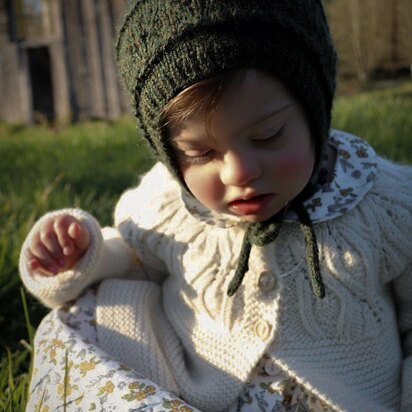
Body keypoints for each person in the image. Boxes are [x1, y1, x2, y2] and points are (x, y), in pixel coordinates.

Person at [19, 1, 412, 411]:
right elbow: (138, 258)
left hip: (343, 398)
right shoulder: (168, 202)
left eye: (268, 136)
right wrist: (85, 256)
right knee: (75, 321)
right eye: (200, 152)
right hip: (192, 390)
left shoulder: (388, 205)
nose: (238, 172)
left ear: (314, 111)